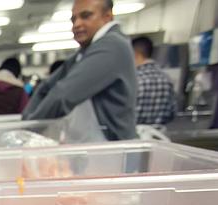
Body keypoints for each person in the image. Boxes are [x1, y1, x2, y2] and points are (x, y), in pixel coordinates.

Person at [23, 0, 137, 141]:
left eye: (86, 16)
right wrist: (26, 122)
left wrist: (28, 132)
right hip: (93, 149)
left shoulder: (113, 45)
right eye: (73, 19)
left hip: (114, 149)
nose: (76, 24)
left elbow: (63, 95)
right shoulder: (85, 52)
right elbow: (46, 88)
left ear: (107, 16)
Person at [132, 36, 177, 125]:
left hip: (134, 136)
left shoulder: (133, 79)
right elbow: (173, 112)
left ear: (135, 54)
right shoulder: (167, 79)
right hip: (158, 136)